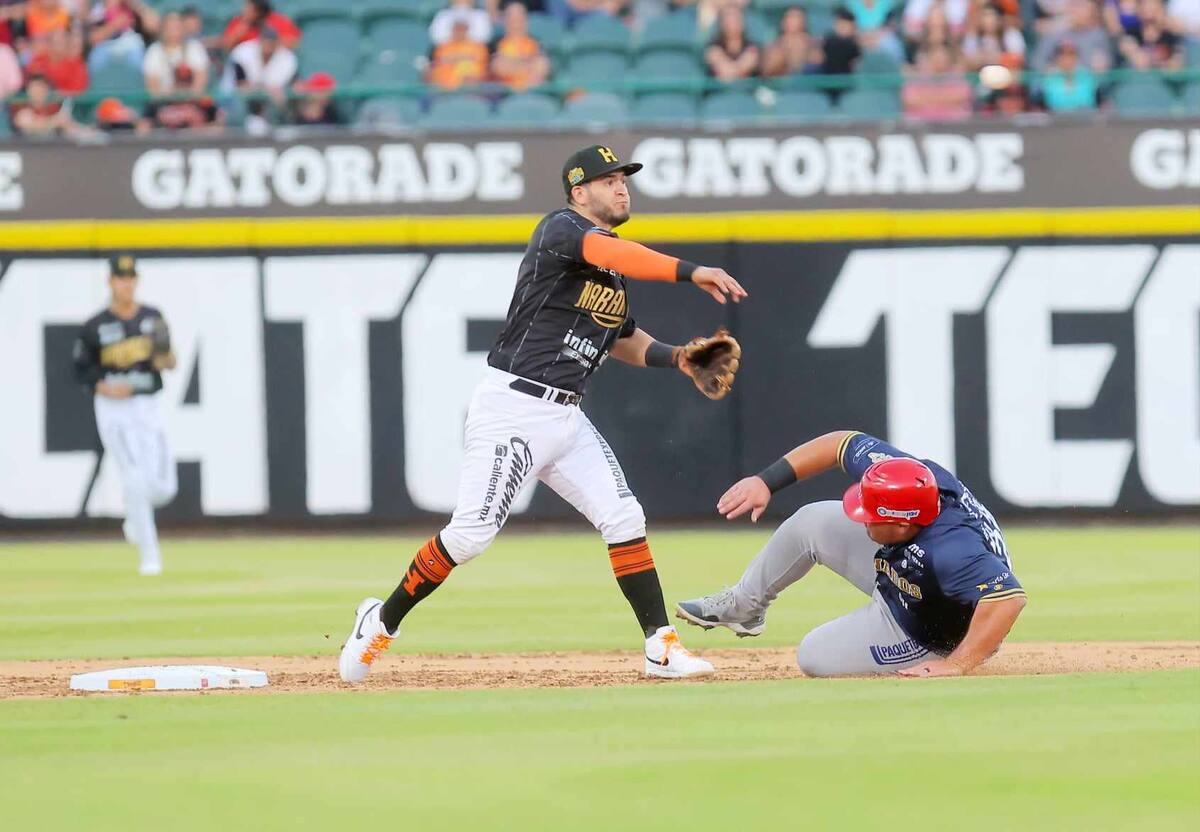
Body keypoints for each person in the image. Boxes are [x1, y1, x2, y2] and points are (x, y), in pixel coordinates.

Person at [338, 144, 748, 684]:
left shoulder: (609, 265)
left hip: (566, 417)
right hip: (514, 406)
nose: (622, 186)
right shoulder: (560, 229)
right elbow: (618, 257)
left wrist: (676, 357)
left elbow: (621, 338)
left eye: (625, 178)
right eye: (609, 180)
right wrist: (692, 271)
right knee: (470, 536)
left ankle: (661, 646)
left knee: (624, 517)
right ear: (580, 191)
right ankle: (381, 621)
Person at [677, 430, 1027, 677]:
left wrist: (957, 664)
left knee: (813, 655)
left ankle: (940, 652)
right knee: (811, 520)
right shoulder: (904, 477)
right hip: (913, 569)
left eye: (871, 514)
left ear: (902, 525)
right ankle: (744, 605)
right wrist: (766, 481)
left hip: (931, 626)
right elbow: (841, 442)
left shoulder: (951, 549)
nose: (860, 517)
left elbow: (1007, 599)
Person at [73, 256, 179, 576]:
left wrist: (164, 356)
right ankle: (151, 557)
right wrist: (104, 388)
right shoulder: (95, 325)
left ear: (137, 280)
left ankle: (134, 515)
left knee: (163, 488)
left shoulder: (152, 317)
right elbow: (81, 372)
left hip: (148, 403)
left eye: (131, 277)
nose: (126, 283)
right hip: (114, 409)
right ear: (110, 282)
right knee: (133, 475)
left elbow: (168, 362)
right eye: (120, 277)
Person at [223, 23, 296, 107]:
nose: (268, 48)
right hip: (233, 99)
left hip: (266, 104)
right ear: (259, 41)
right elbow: (242, 85)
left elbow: (294, 83)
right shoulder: (242, 52)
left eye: (272, 44)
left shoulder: (286, 57)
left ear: (277, 44)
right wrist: (269, 90)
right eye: (266, 43)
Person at [143, 11, 208, 96]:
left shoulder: (195, 47)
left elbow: (200, 81)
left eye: (177, 27)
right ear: (163, 29)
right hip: (163, 102)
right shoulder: (154, 51)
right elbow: (152, 87)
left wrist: (187, 96)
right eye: (170, 27)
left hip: (192, 101)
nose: (174, 31)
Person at [902, 43, 972, 121]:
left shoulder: (957, 79)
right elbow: (910, 100)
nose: (938, 62)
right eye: (935, 58)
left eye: (942, 59)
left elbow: (961, 97)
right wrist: (943, 98)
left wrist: (928, 98)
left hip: (952, 123)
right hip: (922, 123)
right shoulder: (917, 79)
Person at [86, 0, 159, 73]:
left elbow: (153, 26)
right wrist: (115, 25)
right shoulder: (99, 9)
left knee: (137, 49)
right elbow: (93, 38)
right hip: (105, 46)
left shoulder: (133, 6)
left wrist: (134, 4)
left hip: (131, 45)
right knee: (96, 56)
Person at [490, 2, 550, 91]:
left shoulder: (536, 43)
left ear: (526, 19)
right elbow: (499, 67)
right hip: (503, 94)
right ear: (504, 19)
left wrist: (512, 64)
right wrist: (528, 65)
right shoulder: (495, 43)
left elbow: (542, 66)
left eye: (520, 15)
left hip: (532, 91)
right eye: (511, 16)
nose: (516, 20)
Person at [426, 16, 489, 89]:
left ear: (467, 29)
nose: (459, 31)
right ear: (452, 29)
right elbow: (434, 68)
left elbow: (482, 70)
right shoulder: (442, 48)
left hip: (470, 91)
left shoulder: (478, 47)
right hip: (443, 90)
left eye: (462, 28)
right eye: (457, 28)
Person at [705, 4, 759, 81]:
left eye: (735, 17)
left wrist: (734, 72)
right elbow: (727, 73)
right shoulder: (713, 48)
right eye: (728, 17)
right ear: (721, 22)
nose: (732, 21)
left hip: (745, 91)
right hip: (721, 91)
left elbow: (745, 66)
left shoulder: (752, 47)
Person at [1040, 39, 1098, 110]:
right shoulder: (1050, 78)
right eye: (1062, 54)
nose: (1067, 58)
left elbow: (1086, 102)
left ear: (1076, 57)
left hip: (1083, 118)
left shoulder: (1086, 76)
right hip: (1058, 119)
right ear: (1057, 58)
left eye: (1071, 54)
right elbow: (1054, 103)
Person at [220, 0, 300, 51]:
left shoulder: (277, 20)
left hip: (273, 63)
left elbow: (293, 43)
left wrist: (269, 43)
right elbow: (226, 46)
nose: (245, 10)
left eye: (249, 8)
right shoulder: (240, 22)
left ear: (259, 10)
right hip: (245, 68)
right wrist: (238, 34)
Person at [821, 7, 862, 74]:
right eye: (841, 25)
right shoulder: (829, 41)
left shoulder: (855, 45)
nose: (843, 28)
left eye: (846, 26)